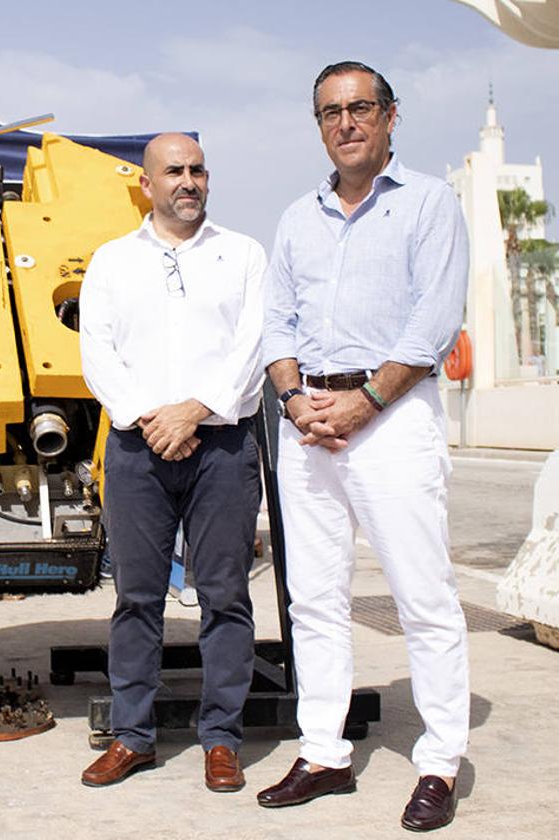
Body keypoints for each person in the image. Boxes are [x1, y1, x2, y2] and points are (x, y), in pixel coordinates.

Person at [257, 62, 470, 833]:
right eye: (329, 112)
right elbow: (275, 321)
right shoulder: (295, 219)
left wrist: (364, 402)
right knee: (312, 598)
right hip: (305, 421)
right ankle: (324, 753)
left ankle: (440, 761)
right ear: (318, 124)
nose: (345, 123)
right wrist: (292, 398)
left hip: (392, 417)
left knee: (423, 595)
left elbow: (434, 322)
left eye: (360, 108)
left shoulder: (429, 204)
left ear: (389, 116)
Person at [77, 133, 265, 792]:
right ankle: (132, 737)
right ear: (146, 185)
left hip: (221, 447)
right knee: (136, 599)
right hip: (136, 446)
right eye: (174, 171)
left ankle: (222, 739)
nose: (188, 181)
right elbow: (97, 353)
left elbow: (252, 347)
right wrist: (156, 419)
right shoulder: (110, 262)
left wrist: (195, 411)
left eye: (198, 169)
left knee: (226, 597)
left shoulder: (242, 254)